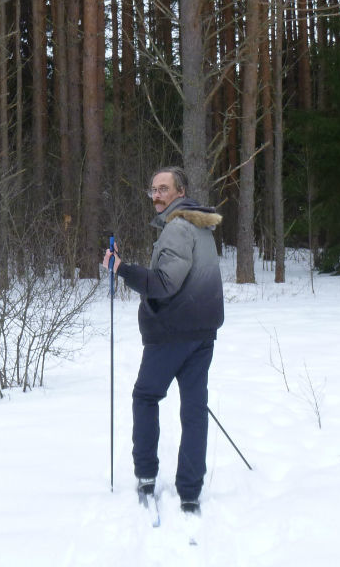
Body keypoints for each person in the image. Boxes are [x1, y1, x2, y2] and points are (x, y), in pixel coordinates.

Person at [103, 167, 224, 515]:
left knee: (145, 396)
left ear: (180, 191)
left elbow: (163, 284)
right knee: (194, 408)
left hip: (173, 333)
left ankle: (145, 476)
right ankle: (189, 490)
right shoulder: (200, 226)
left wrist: (122, 269)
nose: (156, 195)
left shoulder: (178, 229)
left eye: (163, 189)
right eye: (152, 189)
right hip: (202, 333)